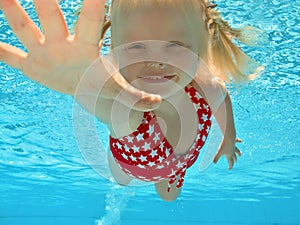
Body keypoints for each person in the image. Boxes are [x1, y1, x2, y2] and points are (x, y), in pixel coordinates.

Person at [0, 0, 262, 201]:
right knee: (123, 180)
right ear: (114, 52)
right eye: (136, 47)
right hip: (131, 166)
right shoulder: (131, 112)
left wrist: (228, 138)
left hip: (179, 164)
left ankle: (168, 175)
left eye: (175, 46)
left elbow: (222, 96)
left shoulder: (206, 86)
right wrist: (81, 84)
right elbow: (106, 107)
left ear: (202, 46)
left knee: (169, 195)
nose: (156, 60)